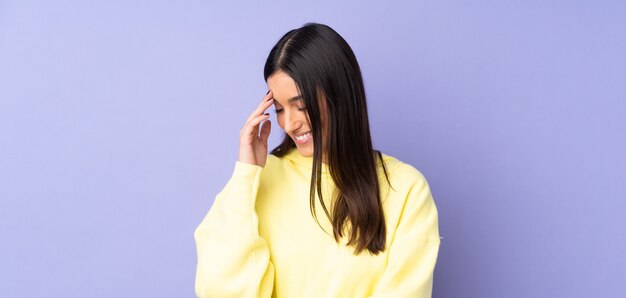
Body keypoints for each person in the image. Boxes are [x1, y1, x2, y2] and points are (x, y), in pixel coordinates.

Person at [194, 22, 441, 297]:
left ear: (339, 94)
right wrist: (245, 174)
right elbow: (217, 288)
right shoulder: (259, 179)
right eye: (278, 109)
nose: (289, 123)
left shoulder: (406, 189)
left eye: (301, 105)